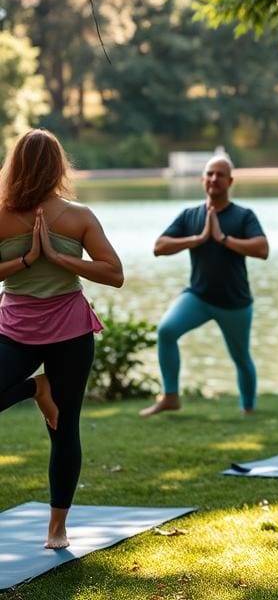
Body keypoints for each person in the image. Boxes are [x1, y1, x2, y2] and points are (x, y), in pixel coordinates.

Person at [0, 129, 123, 548]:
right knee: (63, 426)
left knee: (65, 429)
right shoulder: (0, 215)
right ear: (58, 166)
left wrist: (58, 257)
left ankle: (57, 528)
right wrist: (27, 259)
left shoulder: (79, 216)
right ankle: (37, 387)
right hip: (16, 331)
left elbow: (114, 273)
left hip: (69, 333)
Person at [140, 154, 269, 417]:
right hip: (198, 297)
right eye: (209, 174)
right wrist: (197, 239)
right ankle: (171, 397)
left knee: (241, 357)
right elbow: (159, 247)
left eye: (220, 174)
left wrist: (223, 239)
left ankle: (248, 408)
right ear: (203, 179)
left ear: (230, 181)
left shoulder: (243, 216)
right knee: (166, 331)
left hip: (234, 301)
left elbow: (262, 249)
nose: (214, 179)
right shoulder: (190, 215)